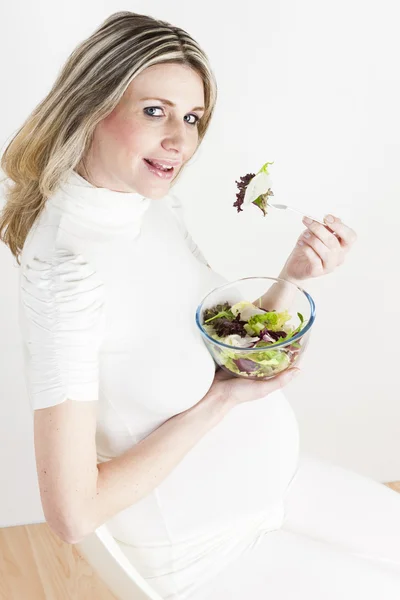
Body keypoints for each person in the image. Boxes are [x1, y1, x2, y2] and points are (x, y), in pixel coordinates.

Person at [1, 11, 399, 600]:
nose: (180, 140)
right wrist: (220, 402)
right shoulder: (68, 273)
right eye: (154, 110)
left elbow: (218, 346)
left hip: (276, 487)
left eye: (191, 117)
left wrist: (293, 275)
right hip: (207, 548)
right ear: (92, 106)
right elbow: (72, 514)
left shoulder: (149, 205)